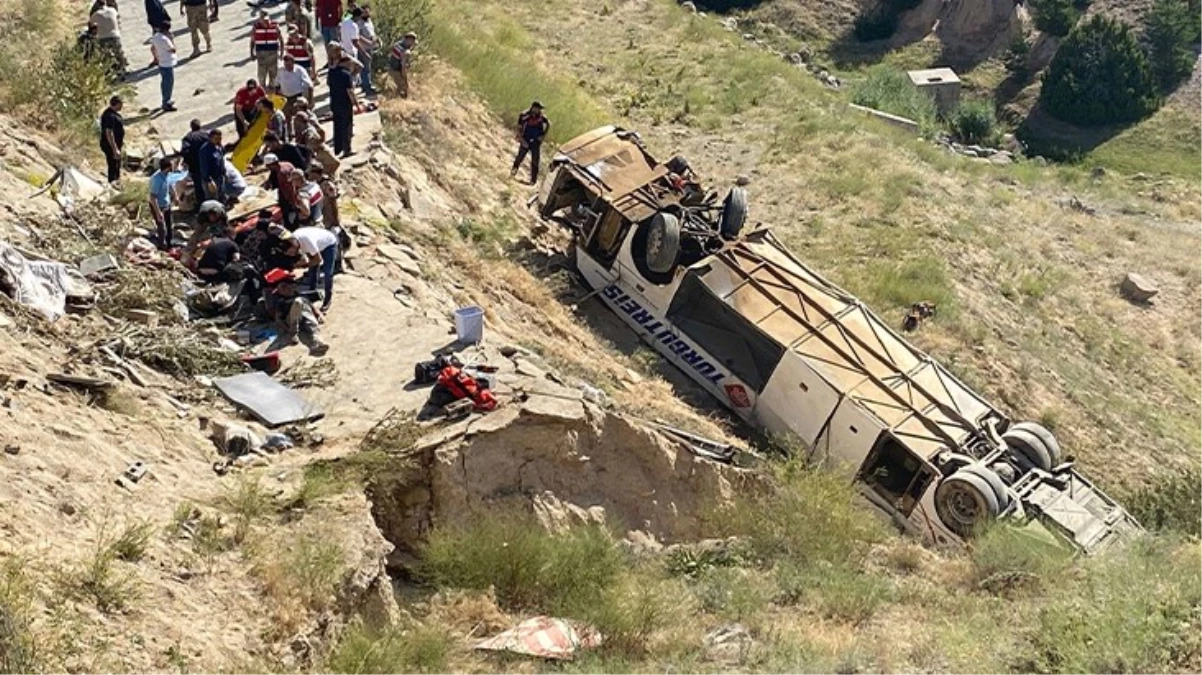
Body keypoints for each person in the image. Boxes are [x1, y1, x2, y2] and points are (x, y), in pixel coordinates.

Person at [265, 269, 329, 356]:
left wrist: (318, 314)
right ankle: (295, 334)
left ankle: (317, 342)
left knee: (306, 311)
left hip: (303, 318)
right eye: (284, 286)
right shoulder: (281, 301)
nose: (289, 288)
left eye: (291, 285)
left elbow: (310, 305)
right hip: (291, 322)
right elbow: (278, 318)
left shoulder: (298, 295)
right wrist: (288, 331)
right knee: (298, 303)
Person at [290, 224, 337, 311]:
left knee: (328, 272)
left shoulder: (307, 242)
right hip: (316, 242)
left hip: (329, 243)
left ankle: (328, 298)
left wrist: (304, 265)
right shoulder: (292, 240)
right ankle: (312, 291)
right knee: (312, 268)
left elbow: (318, 260)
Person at [148, 157, 187, 249]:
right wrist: (158, 213)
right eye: (171, 165)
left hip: (166, 204)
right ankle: (162, 247)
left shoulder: (167, 175)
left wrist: (176, 196)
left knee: (170, 226)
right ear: (167, 167)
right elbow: (153, 197)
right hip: (158, 206)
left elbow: (170, 185)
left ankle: (169, 245)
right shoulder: (157, 179)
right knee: (162, 229)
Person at [511, 101, 550, 185]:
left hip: (536, 141)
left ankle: (533, 181)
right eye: (538, 108)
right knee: (520, 157)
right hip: (526, 139)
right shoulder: (524, 116)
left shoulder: (541, 117)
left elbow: (548, 124)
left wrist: (542, 136)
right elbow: (518, 128)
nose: (539, 110)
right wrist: (521, 139)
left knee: (535, 161)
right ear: (533, 108)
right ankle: (513, 171)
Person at [328, 54, 359, 158]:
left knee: (337, 126)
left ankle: (338, 149)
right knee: (346, 126)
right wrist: (356, 104)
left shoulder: (331, 73)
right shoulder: (346, 75)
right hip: (345, 104)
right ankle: (347, 149)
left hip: (334, 103)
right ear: (345, 63)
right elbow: (350, 91)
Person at [92, 0, 126, 79]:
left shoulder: (96, 14)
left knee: (105, 57)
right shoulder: (112, 10)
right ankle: (122, 70)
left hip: (103, 37)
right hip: (115, 35)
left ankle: (108, 73)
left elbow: (91, 23)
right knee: (119, 53)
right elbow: (118, 18)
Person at [179, 118, 209, 210]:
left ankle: (202, 205)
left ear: (191, 127)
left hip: (195, 166)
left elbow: (184, 151)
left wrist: (188, 162)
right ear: (200, 126)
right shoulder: (206, 135)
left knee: (199, 186)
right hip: (208, 164)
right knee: (211, 183)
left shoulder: (188, 138)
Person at [277, 53, 314, 120]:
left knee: (300, 117)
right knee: (286, 118)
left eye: (289, 65)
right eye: (285, 65)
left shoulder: (300, 70)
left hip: (297, 98)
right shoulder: (280, 71)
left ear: (293, 62)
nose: (287, 67)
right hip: (285, 99)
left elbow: (310, 86)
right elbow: (276, 85)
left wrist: (310, 101)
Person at [250, 11, 282, 89]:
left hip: (273, 53)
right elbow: (252, 41)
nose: (266, 22)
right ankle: (262, 88)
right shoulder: (256, 27)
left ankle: (272, 86)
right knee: (261, 73)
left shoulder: (275, 26)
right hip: (261, 54)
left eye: (267, 20)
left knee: (273, 72)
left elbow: (281, 40)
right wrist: (252, 53)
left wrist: (281, 52)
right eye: (263, 20)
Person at [150, 22, 178, 111]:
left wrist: (156, 58)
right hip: (167, 62)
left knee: (164, 83)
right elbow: (173, 49)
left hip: (161, 62)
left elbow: (152, 48)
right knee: (168, 83)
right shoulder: (165, 39)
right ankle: (166, 102)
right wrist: (171, 40)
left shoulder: (155, 37)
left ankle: (165, 100)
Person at [99, 96, 124, 184]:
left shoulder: (114, 114)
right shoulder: (109, 116)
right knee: (113, 166)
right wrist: (115, 149)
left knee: (117, 165)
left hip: (115, 145)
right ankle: (113, 184)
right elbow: (109, 133)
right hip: (110, 145)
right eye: (120, 105)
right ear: (116, 104)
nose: (122, 107)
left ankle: (116, 182)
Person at [197, 128, 226, 203]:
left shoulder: (218, 147)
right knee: (212, 200)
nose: (218, 140)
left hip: (219, 177)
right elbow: (204, 167)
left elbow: (221, 161)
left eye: (220, 138)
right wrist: (209, 181)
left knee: (221, 197)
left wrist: (224, 173)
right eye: (216, 139)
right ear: (210, 138)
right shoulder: (204, 150)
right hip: (211, 180)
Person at [354, 4, 377, 95]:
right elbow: (358, 36)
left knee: (368, 67)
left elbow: (372, 32)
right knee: (365, 68)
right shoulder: (359, 23)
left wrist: (375, 39)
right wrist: (368, 42)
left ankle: (367, 85)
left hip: (370, 47)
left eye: (367, 11)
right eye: (364, 12)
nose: (366, 13)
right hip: (363, 48)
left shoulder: (369, 21)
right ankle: (367, 87)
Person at [387, 31, 416, 98]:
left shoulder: (398, 44)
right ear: (409, 40)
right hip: (395, 70)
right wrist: (405, 78)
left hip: (391, 66)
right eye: (412, 41)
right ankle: (395, 99)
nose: (413, 44)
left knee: (400, 86)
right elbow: (403, 67)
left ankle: (398, 97)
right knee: (403, 86)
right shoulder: (406, 52)